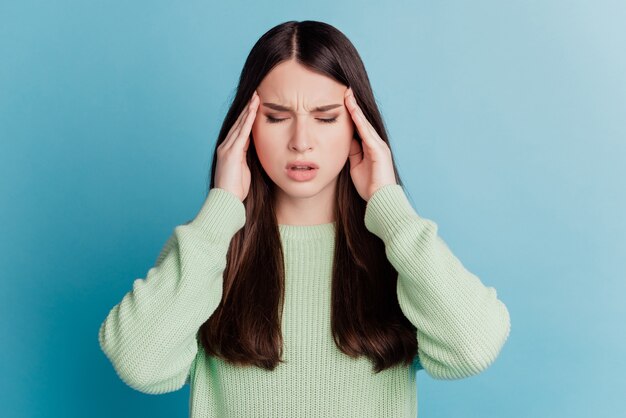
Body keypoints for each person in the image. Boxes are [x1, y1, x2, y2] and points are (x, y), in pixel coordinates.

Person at [98, 20, 511, 418]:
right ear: (245, 129)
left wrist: (391, 208)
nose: (300, 142)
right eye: (276, 117)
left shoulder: (398, 252)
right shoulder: (207, 250)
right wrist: (221, 209)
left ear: (357, 127)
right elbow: (140, 364)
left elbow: (472, 348)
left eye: (326, 117)